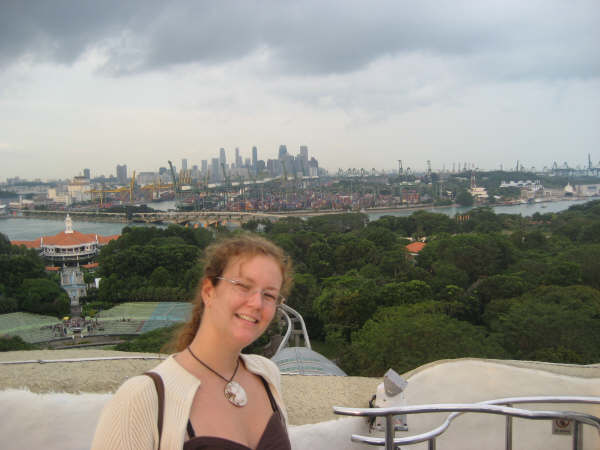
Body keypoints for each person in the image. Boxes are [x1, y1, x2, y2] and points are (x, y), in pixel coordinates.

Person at [92, 234, 293, 449]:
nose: (256, 303)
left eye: (269, 295)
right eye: (243, 286)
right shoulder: (142, 400)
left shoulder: (266, 375)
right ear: (208, 291)